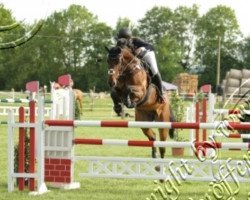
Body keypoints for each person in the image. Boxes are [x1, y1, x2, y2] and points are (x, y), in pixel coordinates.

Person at [111, 28, 165, 116]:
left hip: (146, 55)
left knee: (154, 71)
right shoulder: (119, 43)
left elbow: (151, 47)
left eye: (123, 39)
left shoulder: (136, 41)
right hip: (132, 61)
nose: (121, 41)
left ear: (128, 38)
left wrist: (141, 50)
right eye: (120, 38)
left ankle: (161, 93)